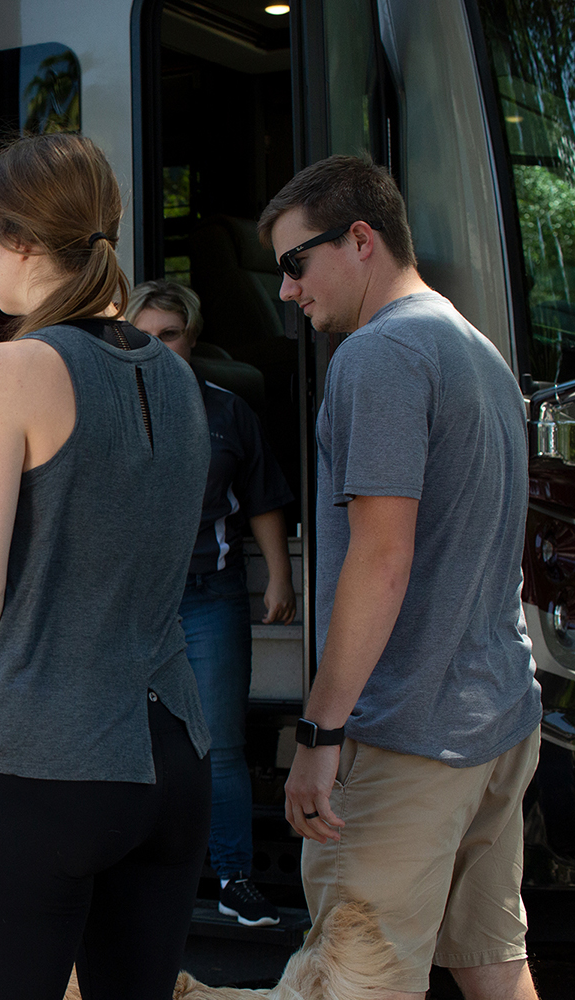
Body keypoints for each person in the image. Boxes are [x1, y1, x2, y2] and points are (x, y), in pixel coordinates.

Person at [0, 132, 213, 1000]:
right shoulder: (174, 374)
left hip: (46, 761)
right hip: (172, 757)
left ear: (18, 240)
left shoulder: (8, 368)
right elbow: (101, 538)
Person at [260, 155, 542, 1000]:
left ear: (359, 238)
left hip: (408, 733)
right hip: (495, 718)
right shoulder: (476, 347)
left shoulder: (380, 355)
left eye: (293, 264)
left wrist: (317, 734)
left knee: (351, 983)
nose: (284, 291)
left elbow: (382, 560)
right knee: (494, 967)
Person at [129, 279, 296, 927]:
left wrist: (279, 576)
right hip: (131, 605)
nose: (157, 346)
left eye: (170, 333)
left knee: (220, 746)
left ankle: (233, 879)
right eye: (144, 334)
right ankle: (135, 881)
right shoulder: (105, 409)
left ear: (192, 338)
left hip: (210, 597)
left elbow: (262, 500)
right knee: (131, 744)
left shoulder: (229, 411)